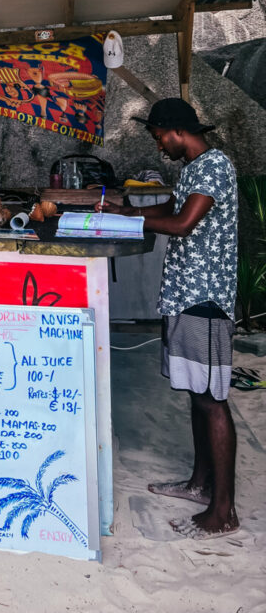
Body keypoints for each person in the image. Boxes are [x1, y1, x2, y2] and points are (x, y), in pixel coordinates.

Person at [98, 97, 239, 539]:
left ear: (176, 130)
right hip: (186, 294)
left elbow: (182, 224)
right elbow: (170, 210)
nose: (159, 146)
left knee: (212, 399)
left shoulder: (215, 165)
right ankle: (200, 484)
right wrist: (126, 215)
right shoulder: (194, 168)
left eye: (159, 137)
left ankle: (223, 511)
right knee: (197, 393)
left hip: (206, 298)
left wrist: (132, 226)